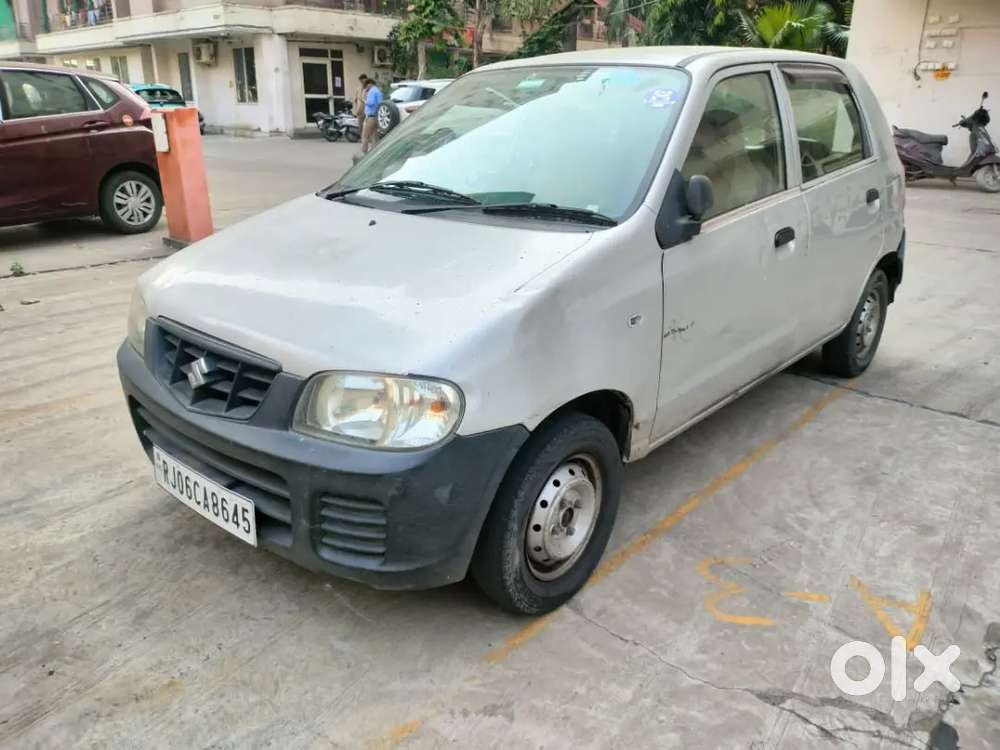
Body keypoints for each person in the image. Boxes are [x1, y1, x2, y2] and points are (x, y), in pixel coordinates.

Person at [360, 74, 383, 155]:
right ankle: (375, 154)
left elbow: (371, 103)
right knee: (374, 136)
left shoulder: (372, 91)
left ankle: (364, 154)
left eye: (366, 86)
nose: (366, 88)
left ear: (370, 84)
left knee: (365, 136)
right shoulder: (378, 91)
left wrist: (364, 100)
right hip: (377, 116)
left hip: (371, 116)